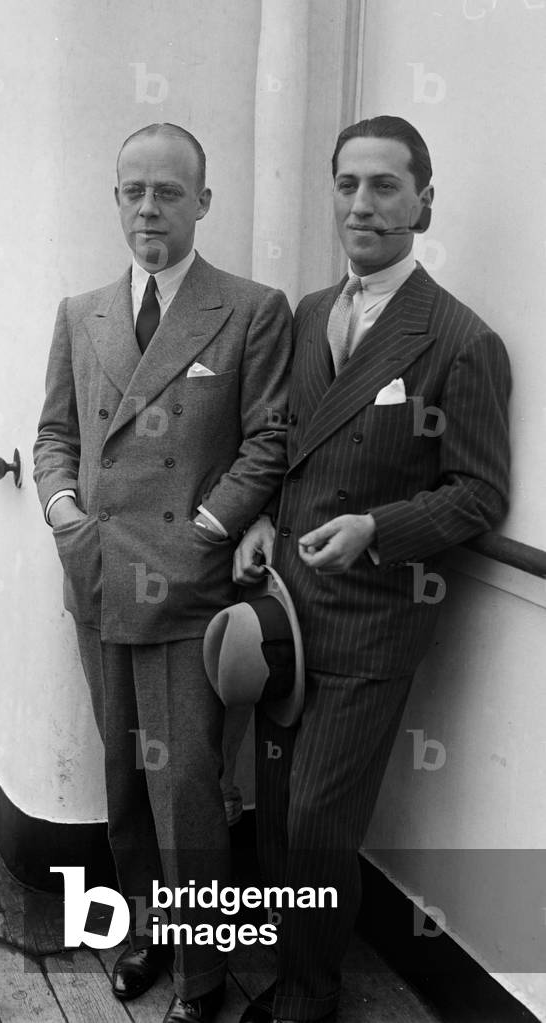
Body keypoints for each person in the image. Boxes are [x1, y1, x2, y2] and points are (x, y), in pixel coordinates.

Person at [233, 115, 511, 1023]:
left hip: (374, 621)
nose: (362, 203)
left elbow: (477, 495)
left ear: (424, 203)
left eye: (385, 185)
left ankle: (309, 997)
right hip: (286, 608)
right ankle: (280, 966)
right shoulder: (312, 312)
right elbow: (284, 443)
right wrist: (264, 519)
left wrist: (375, 527)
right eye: (348, 183)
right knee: (274, 812)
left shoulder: (461, 341)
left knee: (317, 821)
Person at [33, 122, 292, 1023]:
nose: (150, 207)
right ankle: (145, 927)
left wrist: (214, 527)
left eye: (170, 192)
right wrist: (64, 509)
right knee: (123, 775)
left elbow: (269, 440)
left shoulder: (251, 308)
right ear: (115, 200)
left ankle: (205, 971)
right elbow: (56, 433)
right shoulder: (80, 311)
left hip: (188, 584)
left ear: (203, 204)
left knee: (186, 783)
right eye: (134, 190)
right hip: (101, 577)